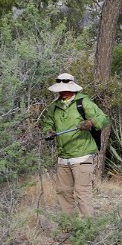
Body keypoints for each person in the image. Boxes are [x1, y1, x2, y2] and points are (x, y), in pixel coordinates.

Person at [41, 72, 108, 217]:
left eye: (65, 89)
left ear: (73, 88)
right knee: (63, 192)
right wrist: (49, 131)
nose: (63, 92)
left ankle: (88, 229)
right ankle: (69, 226)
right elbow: (47, 124)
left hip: (82, 156)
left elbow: (103, 118)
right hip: (63, 157)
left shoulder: (83, 102)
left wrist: (90, 122)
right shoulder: (54, 107)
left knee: (82, 192)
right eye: (60, 89)